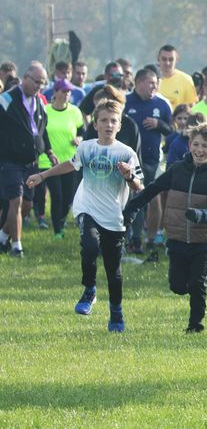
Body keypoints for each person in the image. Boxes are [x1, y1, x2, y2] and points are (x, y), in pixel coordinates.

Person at [25, 100, 142, 332]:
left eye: (113, 121)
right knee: (89, 247)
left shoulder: (126, 153)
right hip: (87, 209)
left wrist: (129, 176)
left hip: (114, 216)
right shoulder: (86, 147)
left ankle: (116, 313)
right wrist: (43, 175)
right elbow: (71, 164)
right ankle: (89, 290)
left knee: (113, 270)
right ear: (95, 124)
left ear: (119, 125)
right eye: (104, 120)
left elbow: (139, 186)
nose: (109, 125)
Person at [123, 122, 207, 333]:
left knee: (198, 285)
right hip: (177, 237)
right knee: (178, 286)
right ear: (189, 145)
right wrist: (131, 209)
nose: (200, 150)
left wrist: (201, 215)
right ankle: (187, 287)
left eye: (205, 146)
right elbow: (153, 189)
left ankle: (195, 325)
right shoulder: (177, 170)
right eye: (196, 144)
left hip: (204, 241)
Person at [0, 63, 55, 257]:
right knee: (15, 201)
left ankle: (2, 236)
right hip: (10, 161)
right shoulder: (6, 100)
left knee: (27, 206)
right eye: (36, 82)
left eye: (42, 83)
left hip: (31, 162)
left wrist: (49, 151)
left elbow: (42, 130)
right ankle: (16, 247)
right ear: (25, 77)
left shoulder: (40, 102)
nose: (39, 86)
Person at [124, 68, 173, 255]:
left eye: (156, 83)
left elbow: (172, 128)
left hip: (153, 160)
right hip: (130, 160)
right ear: (138, 83)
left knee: (151, 199)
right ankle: (132, 238)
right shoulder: (126, 102)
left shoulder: (162, 103)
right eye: (151, 82)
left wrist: (159, 124)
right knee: (132, 199)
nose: (155, 86)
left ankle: (152, 238)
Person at [34, 80, 85, 237]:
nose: (66, 94)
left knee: (69, 197)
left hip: (70, 161)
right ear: (55, 92)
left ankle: (61, 221)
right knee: (57, 196)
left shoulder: (75, 111)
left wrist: (79, 139)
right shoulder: (45, 110)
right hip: (48, 161)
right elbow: (39, 133)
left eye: (69, 91)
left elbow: (82, 131)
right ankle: (57, 231)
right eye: (63, 91)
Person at [154, 45, 199, 110]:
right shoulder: (151, 80)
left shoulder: (186, 80)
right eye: (164, 59)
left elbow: (192, 108)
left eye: (171, 59)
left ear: (177, 60)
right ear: (158, 59)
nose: (167, 63)